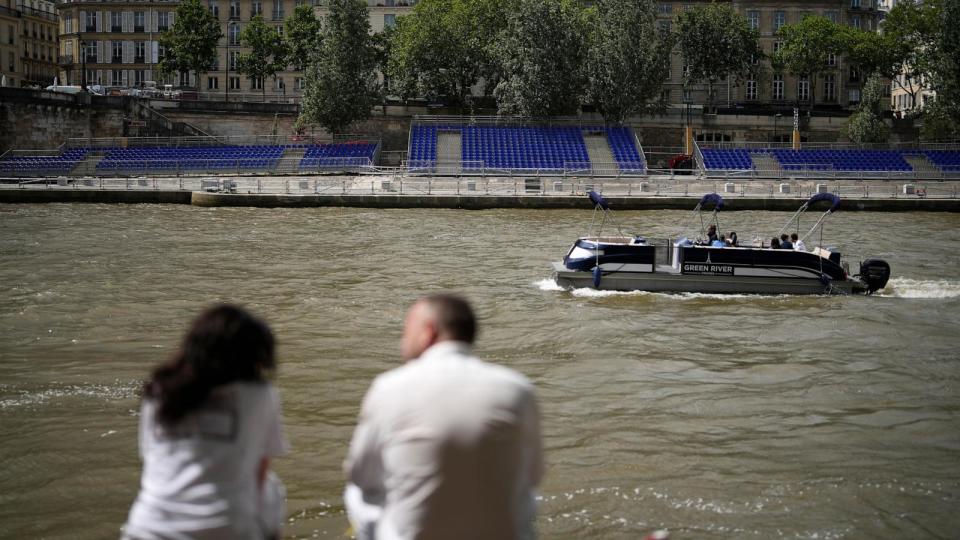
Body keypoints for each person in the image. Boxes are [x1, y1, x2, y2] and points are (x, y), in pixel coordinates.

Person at [344, 294, 543, 540]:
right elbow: (534, 475)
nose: (402, 339)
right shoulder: (517, 388)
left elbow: (361, 474)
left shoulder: (389, 387)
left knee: (357, 492)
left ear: (428, 332)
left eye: (406, 330)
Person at [123, 305, 287, 540]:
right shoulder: (259, 394)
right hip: (228, 529)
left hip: (148, 527)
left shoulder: (159, 390)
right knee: (272, 489)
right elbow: (260, 470)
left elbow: (150, 457)